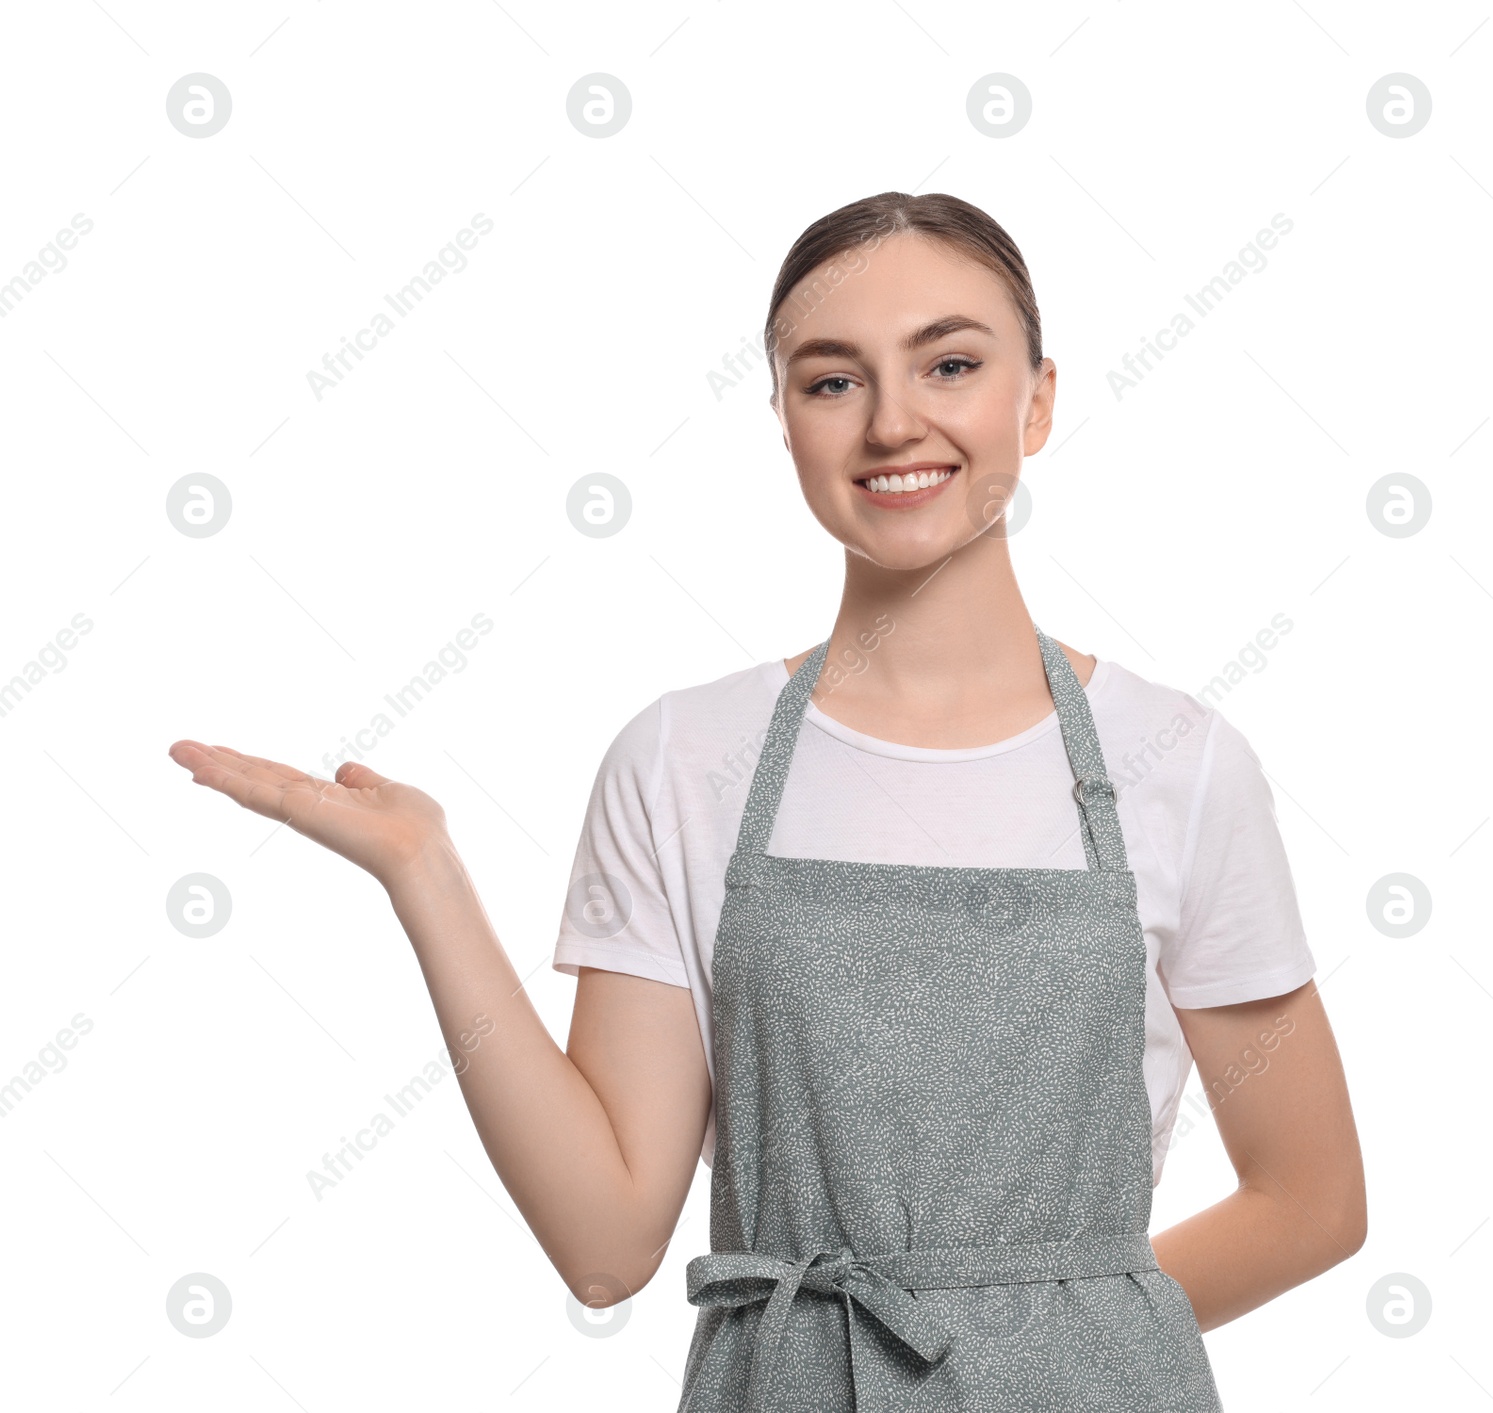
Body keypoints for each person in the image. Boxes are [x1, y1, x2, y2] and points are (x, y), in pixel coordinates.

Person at [169, 191, 1365, 1411]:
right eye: (831, 381)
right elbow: (605, 1247)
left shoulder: (1179, 761)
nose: (894, 422)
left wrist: (1017, 1342)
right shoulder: (684, 760)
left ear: (1037, 399)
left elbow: (1310, 1200)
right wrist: (425, 876)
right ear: (784, 421)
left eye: (950, 363)